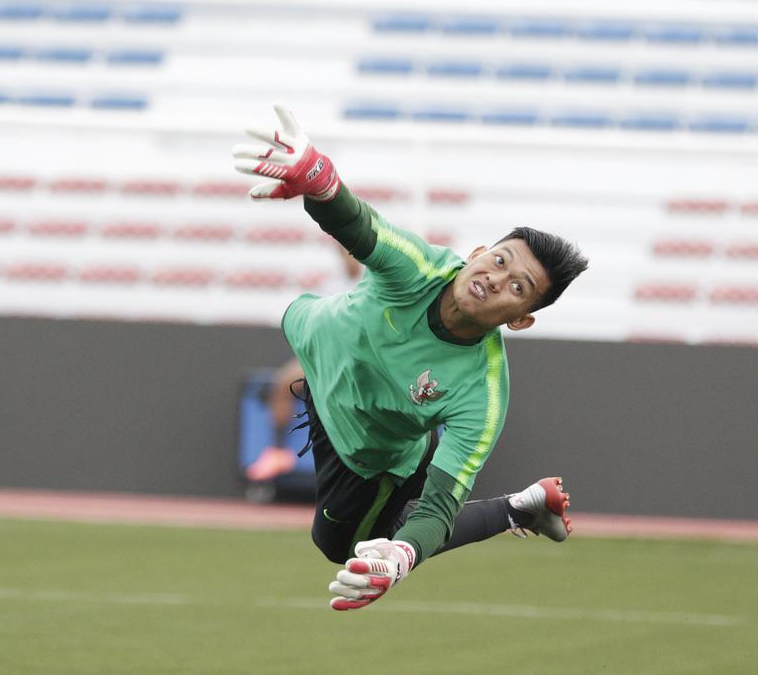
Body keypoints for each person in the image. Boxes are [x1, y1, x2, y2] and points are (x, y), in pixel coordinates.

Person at [231, 103, 589, 610]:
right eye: (499, 260)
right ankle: (518, 510)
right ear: (479, 251)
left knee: (343, 547)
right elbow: (359, 227)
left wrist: (401, 558)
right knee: (376, 537)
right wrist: (318, 180)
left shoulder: (481, 393)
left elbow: (442, 504)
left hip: (369, 450)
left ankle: (519, 509)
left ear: (521, 319)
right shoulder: (421, 267)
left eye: (518, 286)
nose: (495, 278)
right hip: (321, 362)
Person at [244, 244, 365, 488]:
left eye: (350, 250)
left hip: (358, 356)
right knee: (284, 381)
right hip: (327, 353)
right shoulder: (332, 285)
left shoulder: (370, 283)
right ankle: (278, 451)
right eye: (342, 251)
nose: (346, 256)